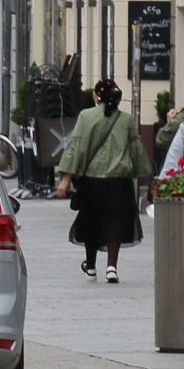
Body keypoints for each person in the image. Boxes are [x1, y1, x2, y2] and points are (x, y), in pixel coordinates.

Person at [55, 78, 151, 284]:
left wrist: (65, 179)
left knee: (91, 223)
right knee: (116, 223)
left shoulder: (86, 116)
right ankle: (111, 267)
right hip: (119, 182)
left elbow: (76, 148)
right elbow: (136, 150)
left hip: (92, 181)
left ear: (97, 96)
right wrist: (141, 171)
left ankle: (90, 267)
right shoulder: (126, 120)